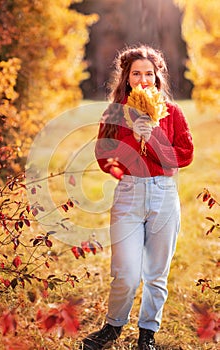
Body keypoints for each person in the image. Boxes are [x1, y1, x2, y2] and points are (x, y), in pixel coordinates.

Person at [81, 44, 194, 350]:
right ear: (127, 78)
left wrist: (154, 137)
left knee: (157, 273)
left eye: (149, 73)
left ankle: (148, 333)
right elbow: (104, 156)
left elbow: (184, 155)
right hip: (129, 193)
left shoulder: (173, 112)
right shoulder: (114, 112)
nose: (143, 80)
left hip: (163, 195)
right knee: (126, 273)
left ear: (158, 77)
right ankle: (113, 326)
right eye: (136, 74)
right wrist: (133, 137)